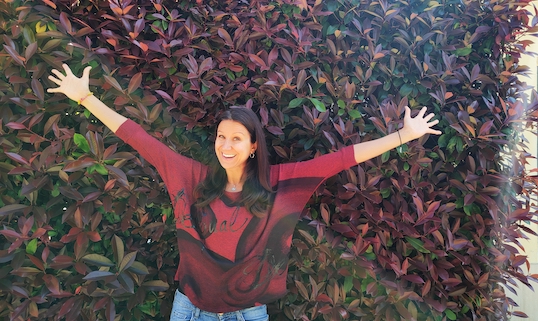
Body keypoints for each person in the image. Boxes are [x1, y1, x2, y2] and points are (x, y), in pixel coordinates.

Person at [47, 64, 441, 321]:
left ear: (253, 145)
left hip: (248, 313)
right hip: (189, 309)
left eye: (236, 138)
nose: (226, 145)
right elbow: (139, 138)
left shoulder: (280, 184)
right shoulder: (191, 176)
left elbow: (341, 159)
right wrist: (85, 98)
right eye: (221, 137)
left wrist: (404, 135)